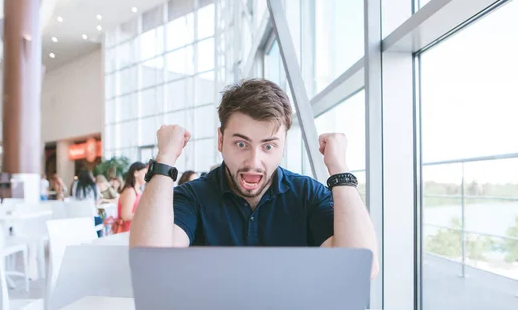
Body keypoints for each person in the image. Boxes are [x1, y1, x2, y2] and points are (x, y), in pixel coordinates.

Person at [130, 79, 379, 278]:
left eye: (268, 146)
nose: (253, 161)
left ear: (283, 146)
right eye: (241, 143)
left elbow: (362, 266)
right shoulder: (193, 197)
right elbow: (149, 263)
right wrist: (165, 159)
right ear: (220, 140)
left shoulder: (308, 195)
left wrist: (339, 170)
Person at [116, 162, 148, 233]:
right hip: (127, 232)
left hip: (134, 231)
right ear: (136, 173)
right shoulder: (130, 191)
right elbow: (125, 216)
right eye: (144, 173)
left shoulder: (136, 191)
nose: (146, 176)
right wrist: (145, 213)